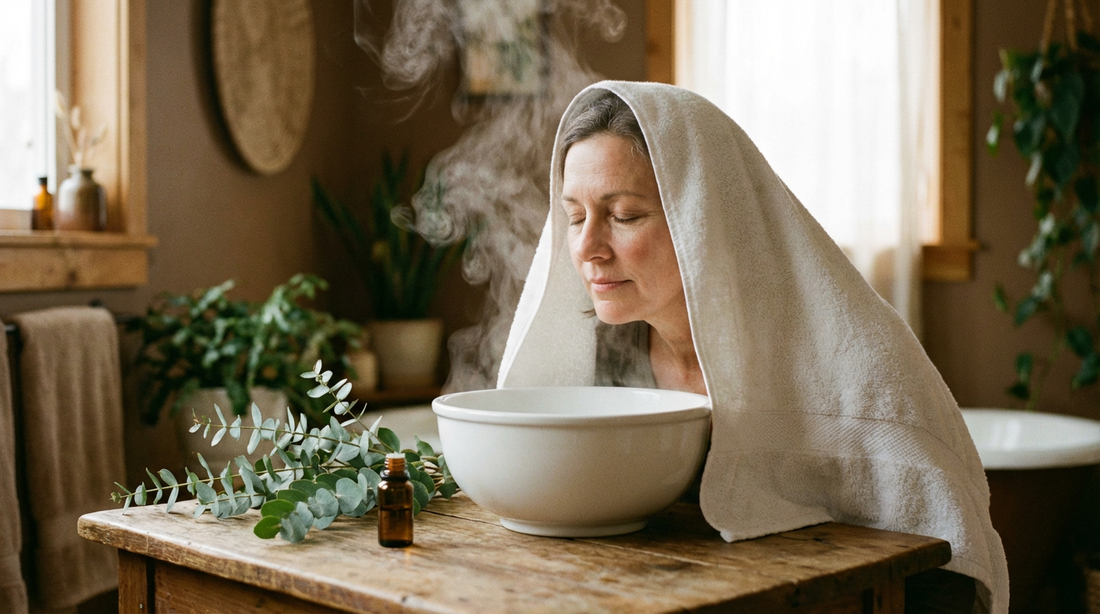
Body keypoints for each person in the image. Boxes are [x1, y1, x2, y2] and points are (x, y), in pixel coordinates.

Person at [497, 82, 1009, 613]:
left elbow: (944, 572)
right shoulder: (598, 358)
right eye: (574, 217)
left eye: (624, 215)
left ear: (706, 219)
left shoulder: (854, 365)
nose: (586, 249)